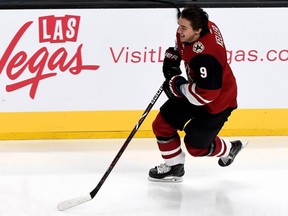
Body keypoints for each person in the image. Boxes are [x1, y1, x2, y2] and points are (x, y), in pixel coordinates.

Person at [148, 4, 246, 182]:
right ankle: (174, 167)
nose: (179, 31)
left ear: (198, 30)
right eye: (179, 25)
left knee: (196, 148)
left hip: (217, 102)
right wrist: (174, 56)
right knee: (162, 124)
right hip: (195, 88)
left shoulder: (206, 56)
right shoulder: (196, 28)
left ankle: (229, 149)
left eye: (183, 27)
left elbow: (205, 95)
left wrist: (176, 85)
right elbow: (181, 46)